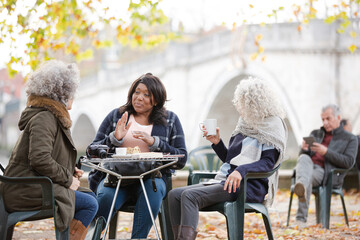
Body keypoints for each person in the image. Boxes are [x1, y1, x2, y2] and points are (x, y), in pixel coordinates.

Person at [168, 77, 288, 240]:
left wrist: (241, 171)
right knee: (174, 195)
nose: (238, 105)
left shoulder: (272, 125)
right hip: (227, 181)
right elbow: (231, 160)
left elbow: (268, 162)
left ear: (254, 103)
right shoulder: (244, 124)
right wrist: (217, 143)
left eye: (242, 101)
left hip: (248, 186)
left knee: (190, 196)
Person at [1, 60, 98, 240]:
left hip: (32, 185)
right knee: (90, 203)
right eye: (72, 93)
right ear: (62, 94)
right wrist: (67, 179)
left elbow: (45, 156)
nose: (73, 98)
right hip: (25, 190)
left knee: (90, 196)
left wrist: (70, 171)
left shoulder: (48, 115)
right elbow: (39, 158)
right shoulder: (45, 118)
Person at [88, 73, 187, 238]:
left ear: (156, 100)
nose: (139, 98)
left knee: (152, 191)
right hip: (115, 178)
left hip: (152, 179)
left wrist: (156, 143)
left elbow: (181, 158)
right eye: (137, 92)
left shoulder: (170, 120)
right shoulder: (116, 116)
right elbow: (92, 151)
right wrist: (114, 138)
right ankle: (93, 235)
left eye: (146, 94)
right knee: (105, 197)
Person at [293, 105, 358, 228]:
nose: (325, 122)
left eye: (328, 118)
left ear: (338, 117)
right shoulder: (315, 133)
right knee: (303, 158)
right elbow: (303, 157)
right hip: (309, 168)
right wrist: (304, 150)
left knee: (305, 178)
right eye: (323, 119)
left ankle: (301, 218)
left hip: (327, 173)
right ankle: (301, 184)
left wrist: (326, 152)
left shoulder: (350, 138)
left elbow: (349, 162)